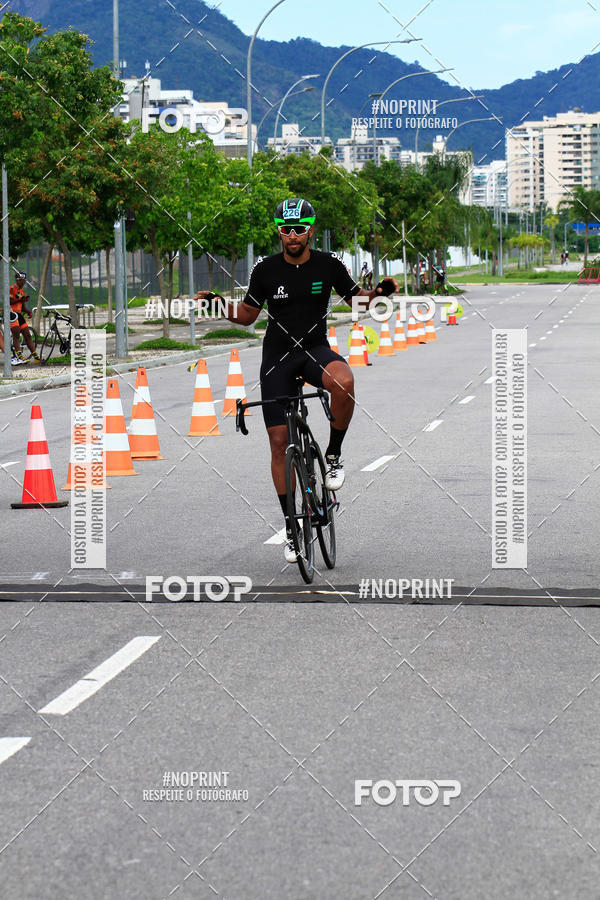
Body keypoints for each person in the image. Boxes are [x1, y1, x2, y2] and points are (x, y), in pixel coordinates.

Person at [195, 198, 398, 563]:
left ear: (310, 231)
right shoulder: (266, 269)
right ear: (279, 231)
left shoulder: (329, 265)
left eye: (299, 229)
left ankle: (333, 455)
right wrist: (217, 303)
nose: (292, 236)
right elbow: (247, 315)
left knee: (344, 381)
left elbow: (357, 302)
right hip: (278, 359)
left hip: (314, 350)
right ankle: (292, 528)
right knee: (278, 444)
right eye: (286, 229)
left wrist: (379, 294)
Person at [9, 273, 40, 364]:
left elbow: (22, 306)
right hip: (12, 313)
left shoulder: (22, 292)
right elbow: (9, 301)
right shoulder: (11, 289)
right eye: (20, 280)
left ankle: (36, 357)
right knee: (16, 335)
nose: (22, 282)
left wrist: (28, 312)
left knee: (27, 335)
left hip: (19, 315)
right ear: (16, 280)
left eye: (24, 281)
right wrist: (20, 300)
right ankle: (19, 357)